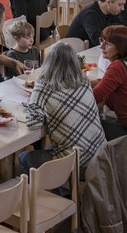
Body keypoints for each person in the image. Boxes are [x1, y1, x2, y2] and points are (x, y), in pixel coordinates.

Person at [22, 43, 105, 174]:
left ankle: (56, 185)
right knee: (51, 147)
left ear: (48, 62)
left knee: (24, 157)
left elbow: (33, 123)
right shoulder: (83, 80)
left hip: (75, 163)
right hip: (100, 155)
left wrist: (33, 103)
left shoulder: (44, 86)